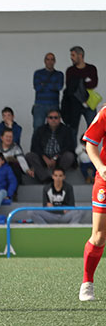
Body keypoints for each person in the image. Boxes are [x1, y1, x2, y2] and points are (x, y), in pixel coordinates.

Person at [79, 104, 106, 301]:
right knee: (99, 235)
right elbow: (90, 143)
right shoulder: (105, 113)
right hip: (105, 181)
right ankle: (87, 283)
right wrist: (101, 167)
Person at [26, 110, 76, 183]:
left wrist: (55, 158)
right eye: (51, 117)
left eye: (56, 118)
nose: (53, 120)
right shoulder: (40, 130)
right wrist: (44, 157)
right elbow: (35, 147)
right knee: (29, 156)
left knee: (69, 156)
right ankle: (45, 179)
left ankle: (58, 174)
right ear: (47, 119)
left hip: (59, 159)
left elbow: (69, 147)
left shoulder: (66, 130)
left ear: (59, 119)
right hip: (43, 159)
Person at [62, 46, 98, 141]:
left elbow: (93, 83)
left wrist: (78, 82)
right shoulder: (70, 70)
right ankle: (73, 154)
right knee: (73, 130)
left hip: (89, 102)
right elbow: (70, 86)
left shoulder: (91, 68)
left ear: (80, 55)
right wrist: (84, 81)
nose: (71, 57)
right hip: (74, 103)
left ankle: (90, 152)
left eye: (73, 55)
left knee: (93, 128)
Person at [32, 53, 64, 130]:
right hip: (40, 105)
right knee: (38, 129)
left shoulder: (59, 74)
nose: (50, 61)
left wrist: (44, 84)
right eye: (48, 59)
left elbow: (59, 87)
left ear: (55, 61)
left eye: (52, 59)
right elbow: (37, 87)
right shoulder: (38, 73)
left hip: (54, 105)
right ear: (44, 61)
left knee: (55, 128)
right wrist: (52, 85)